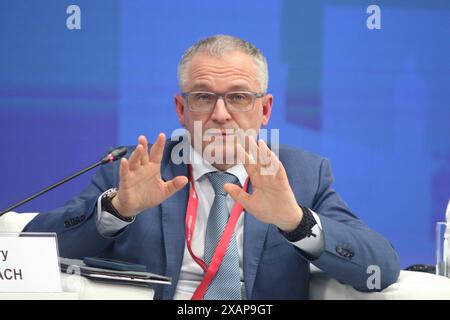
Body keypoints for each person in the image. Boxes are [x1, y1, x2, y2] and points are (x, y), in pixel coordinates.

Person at [24, 34, 400, 300]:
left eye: (238, 97)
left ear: (265, 109)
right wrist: (118, 211)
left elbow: (380, 268)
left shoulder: (303, 174)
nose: (221, 115)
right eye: (204, 98)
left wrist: (295, 220)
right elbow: (34, 250)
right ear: (181, 110)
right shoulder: (137, 169)